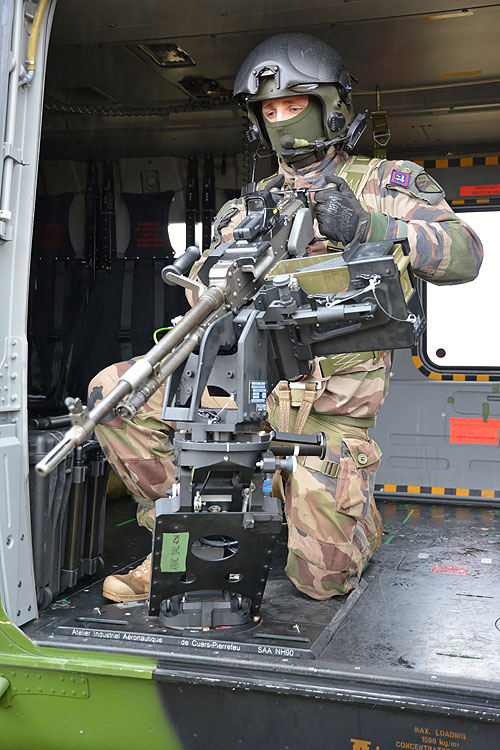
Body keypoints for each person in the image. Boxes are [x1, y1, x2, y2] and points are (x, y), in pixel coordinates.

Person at [89, 33, 483, 603]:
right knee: (115, 394)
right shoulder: (246, 209)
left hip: (327, 413)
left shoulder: (385, 183)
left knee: (320, 586)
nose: (281, 120)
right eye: (268, 110)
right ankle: (175, 538)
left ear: (331, 106)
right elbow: (207, 308)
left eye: (293, 106)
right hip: (240, 392)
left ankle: (347, 518)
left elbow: (465, 253)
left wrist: (369, 228)